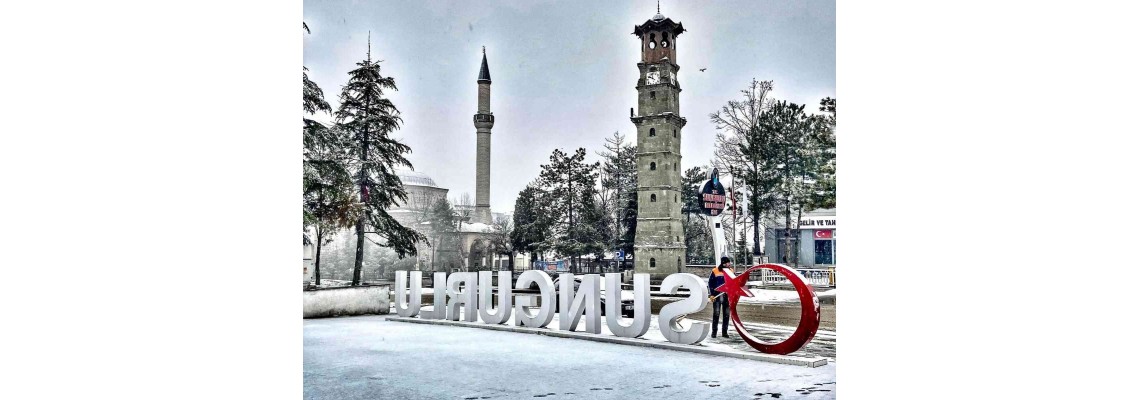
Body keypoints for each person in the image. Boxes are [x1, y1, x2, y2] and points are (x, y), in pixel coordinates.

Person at [707, 256, 733, 338]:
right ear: (724, 263)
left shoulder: (731, 271)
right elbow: (710, 283)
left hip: (727, 295)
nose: (729, 264)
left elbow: (733, 282)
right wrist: (711, 294)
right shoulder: (715, 271)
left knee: (726, 314)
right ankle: (714, 332)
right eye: (728, 263)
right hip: (717, 295)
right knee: (716, 313)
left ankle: (724, 332)